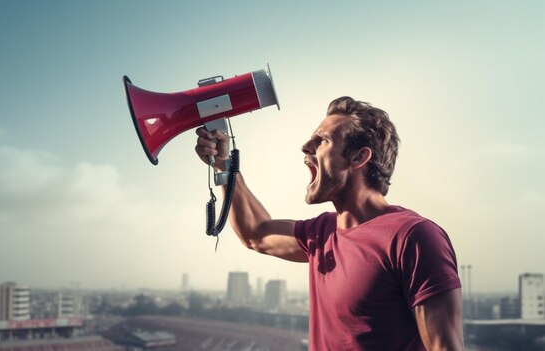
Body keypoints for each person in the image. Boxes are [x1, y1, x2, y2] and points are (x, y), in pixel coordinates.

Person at [194, 96, 464, 351]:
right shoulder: (321, 233)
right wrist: (223, 165)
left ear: (359, 157)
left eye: (321, 140)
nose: (305, 147)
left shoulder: (412, 238)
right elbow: (256, 233)